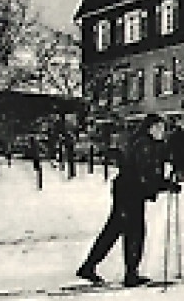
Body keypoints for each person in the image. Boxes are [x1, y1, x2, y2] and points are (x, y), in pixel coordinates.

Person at [76, 114, 177, 287]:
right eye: (159, 128)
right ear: (150, 128)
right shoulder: (144, 145)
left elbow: (148, 174)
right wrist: (165, 185)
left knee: (116, 230)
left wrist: (165, 183)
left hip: (128, 191)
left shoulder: (147, 144)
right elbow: (144, 174)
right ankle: (129, 274)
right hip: (130, 192)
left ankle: (90, 266)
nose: (162, 132)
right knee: (133, 231)